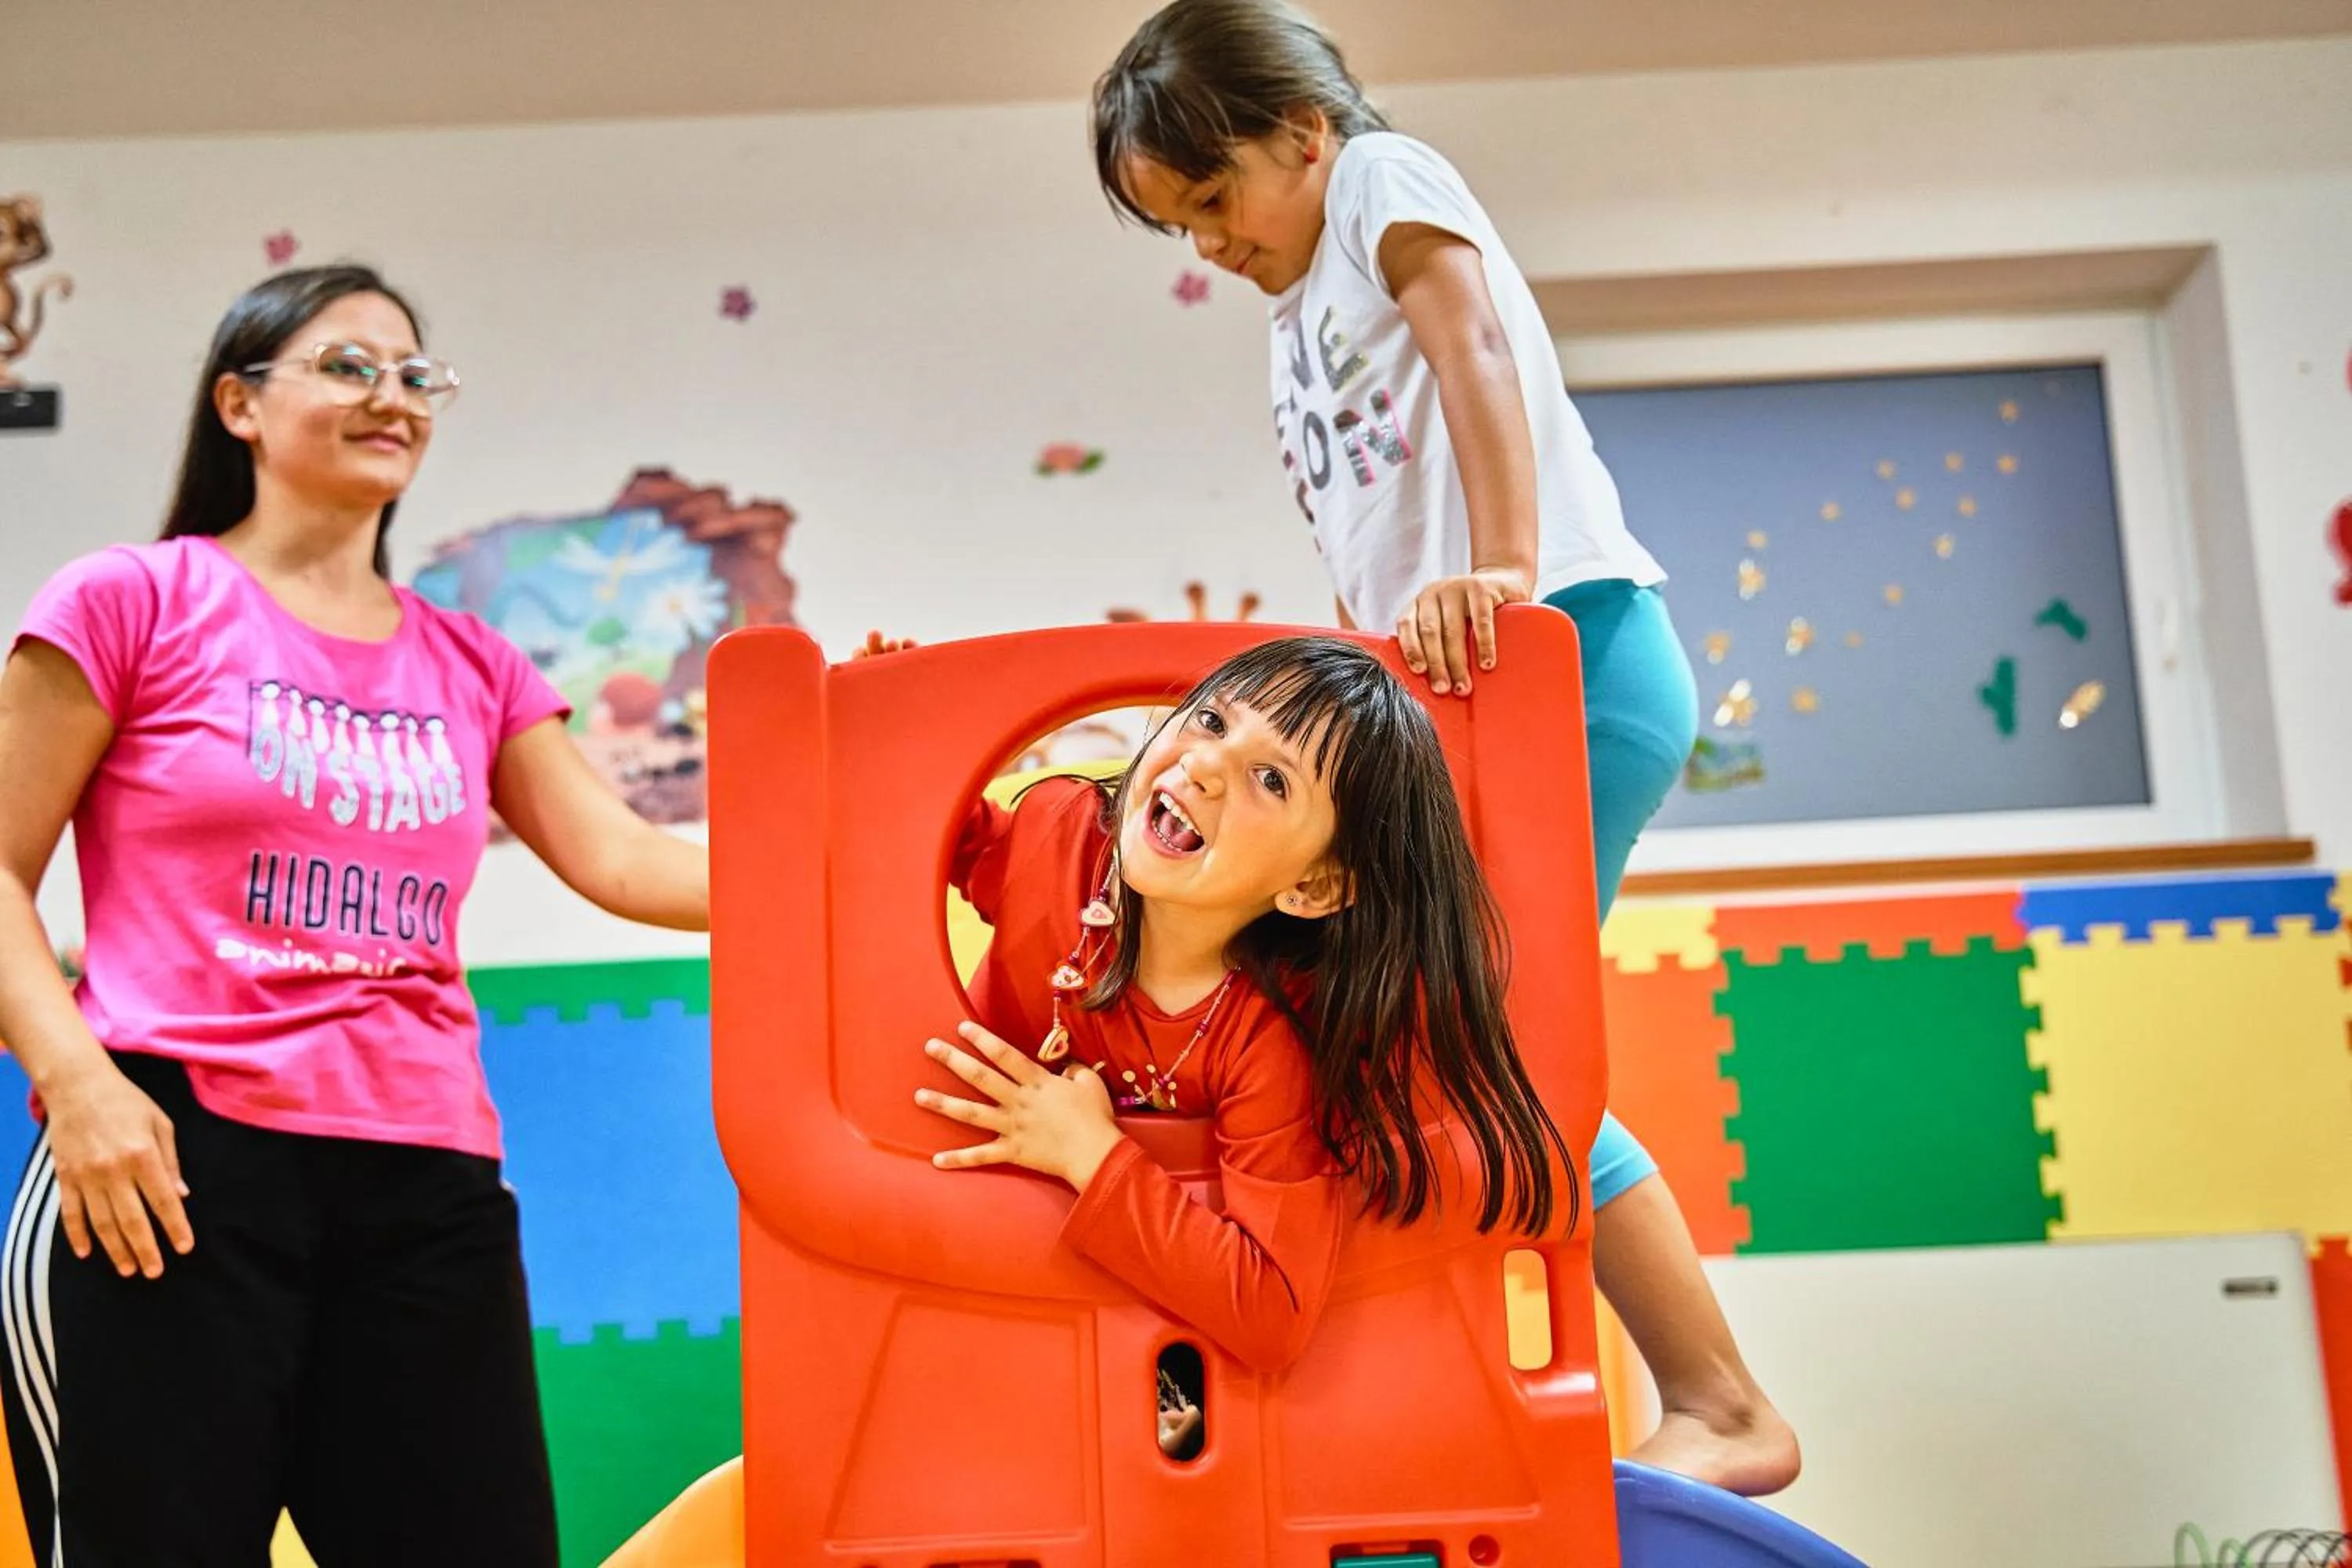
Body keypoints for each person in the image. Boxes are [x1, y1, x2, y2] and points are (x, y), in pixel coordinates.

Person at [1091, 0, 1800, 1493]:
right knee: (1416, 1039)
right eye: (1178, 230)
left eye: (1213, 199)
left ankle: (1723, 1403)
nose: (1211, 245)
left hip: (1570, 658)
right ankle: (1402, 1362)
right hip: (1472, 698)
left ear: (1301, 131)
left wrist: (1510, 565)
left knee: (1500, 1047)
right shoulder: (1297, 316)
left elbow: (1472, 345)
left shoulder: (1380, 184)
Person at [0, 265, 710, 1565]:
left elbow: (625, 861)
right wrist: (76, 1079)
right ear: (240, 405)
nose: (394, 396)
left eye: (415, 374)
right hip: (169, 1165)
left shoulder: (472, 660)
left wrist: (872, 812)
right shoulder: (131, 601)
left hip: (422, 1183)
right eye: (347, 366)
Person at [877, 633, 1569, 1453]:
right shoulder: (1056, 840)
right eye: (1210, 720)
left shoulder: (1265, 1044)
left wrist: (1088, 1152)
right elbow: (919, 838)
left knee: (1181, 1426)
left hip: (1109, 1310)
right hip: (953, 1225)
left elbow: (1271, 1309)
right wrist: (896, 727)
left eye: (1270, 778)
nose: (1204, 764)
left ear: (1312, 884)